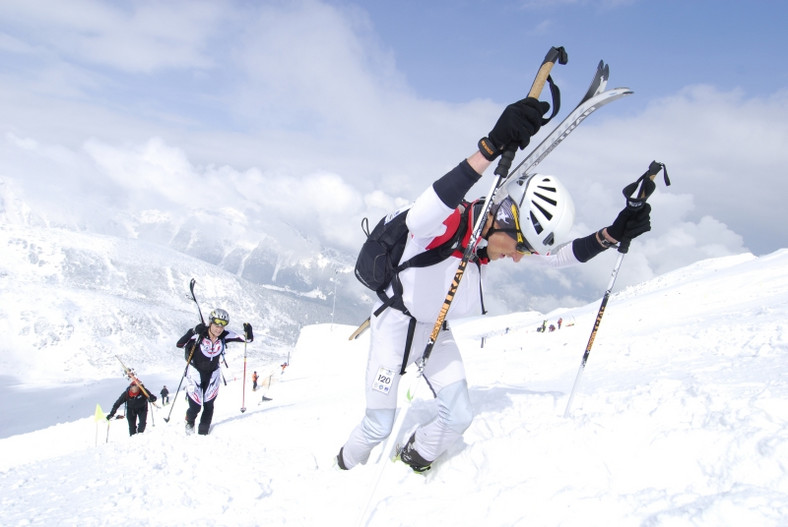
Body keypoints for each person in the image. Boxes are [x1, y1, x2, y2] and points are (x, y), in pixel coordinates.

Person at [336, 96, 652, 472]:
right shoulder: (449, 224)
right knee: (377, 425)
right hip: (394, 324)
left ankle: (415, 456)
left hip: (433, 330)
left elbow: (560, 258)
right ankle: (341, 470)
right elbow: (420, 216)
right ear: (504, 217)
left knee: (458, 415)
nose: (520, 256)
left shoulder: (488, 244)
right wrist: (488, 149)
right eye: (520, 245)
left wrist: (611, 235)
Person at [176, 308, 253, 435]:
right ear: (210, 323)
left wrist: (248, 332)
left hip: (213, 373)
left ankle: (203, 432)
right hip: (195, 372)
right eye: (216, 325)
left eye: (222, 327)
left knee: (209, 404)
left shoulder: (224, 335)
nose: (219, 329)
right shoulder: (199, 333)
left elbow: (247, 339)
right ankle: (189, 421)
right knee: (195, 406)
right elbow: (179, 344)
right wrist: (193, 331)